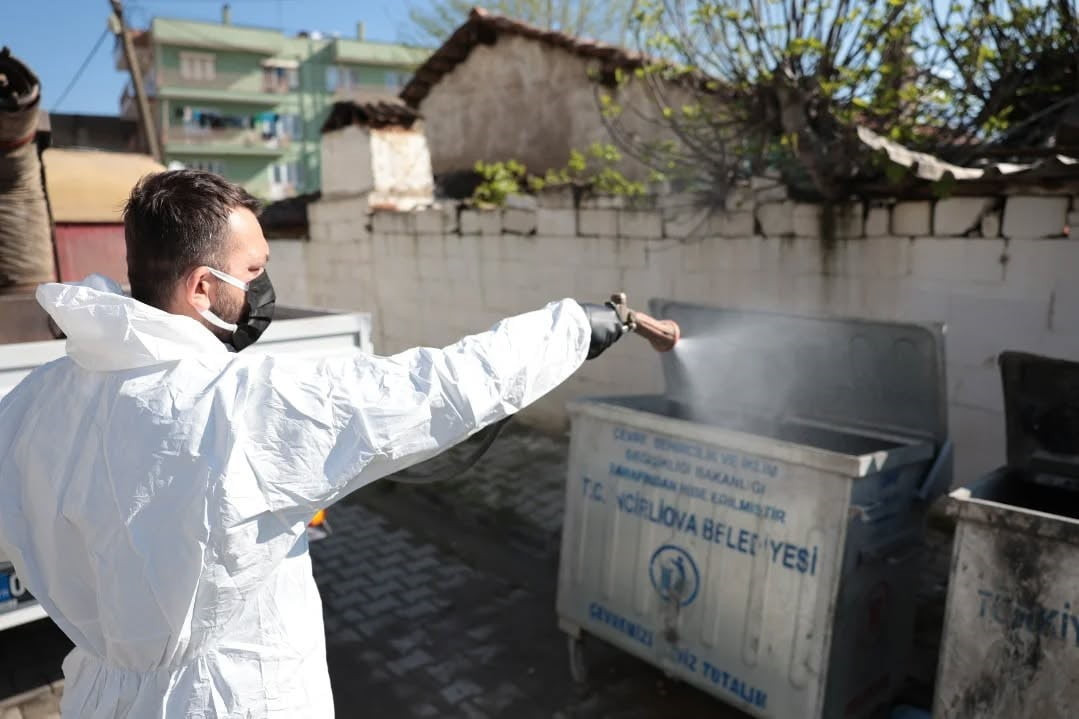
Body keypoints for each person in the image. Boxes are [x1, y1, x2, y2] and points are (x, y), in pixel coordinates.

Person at [0, 170, 627, 717]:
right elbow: (438, 385)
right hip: (230, 702)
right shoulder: (240, 404)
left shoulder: (40, 395)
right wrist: (576, 327)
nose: (263, 287)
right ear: (199, 288)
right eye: (252, 271)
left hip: (100, 700)